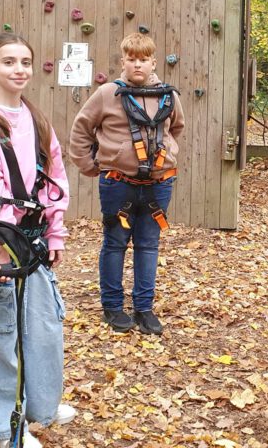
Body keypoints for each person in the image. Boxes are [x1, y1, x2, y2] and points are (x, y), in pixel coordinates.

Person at [0, 33, 76, 447]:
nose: (18, 69)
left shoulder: (37, 118)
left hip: (34, 242)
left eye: (25, 61)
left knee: (42, 326)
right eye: (8, 62)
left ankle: (40, 406)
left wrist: (55, 230)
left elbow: (54, 177)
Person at [68, 32, 184, 336]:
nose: (137, 65)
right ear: (123, 61)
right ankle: (113, 306)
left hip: (158, 184)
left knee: (148, 244)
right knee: (116, 242)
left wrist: (166, 155)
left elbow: (177, 129)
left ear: (153, 62)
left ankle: (144, 308)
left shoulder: (169, 96)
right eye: (131, 59)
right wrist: (90, 165)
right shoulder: (108, 94)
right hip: (117, 183)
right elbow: (81, 129)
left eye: (143, 59)